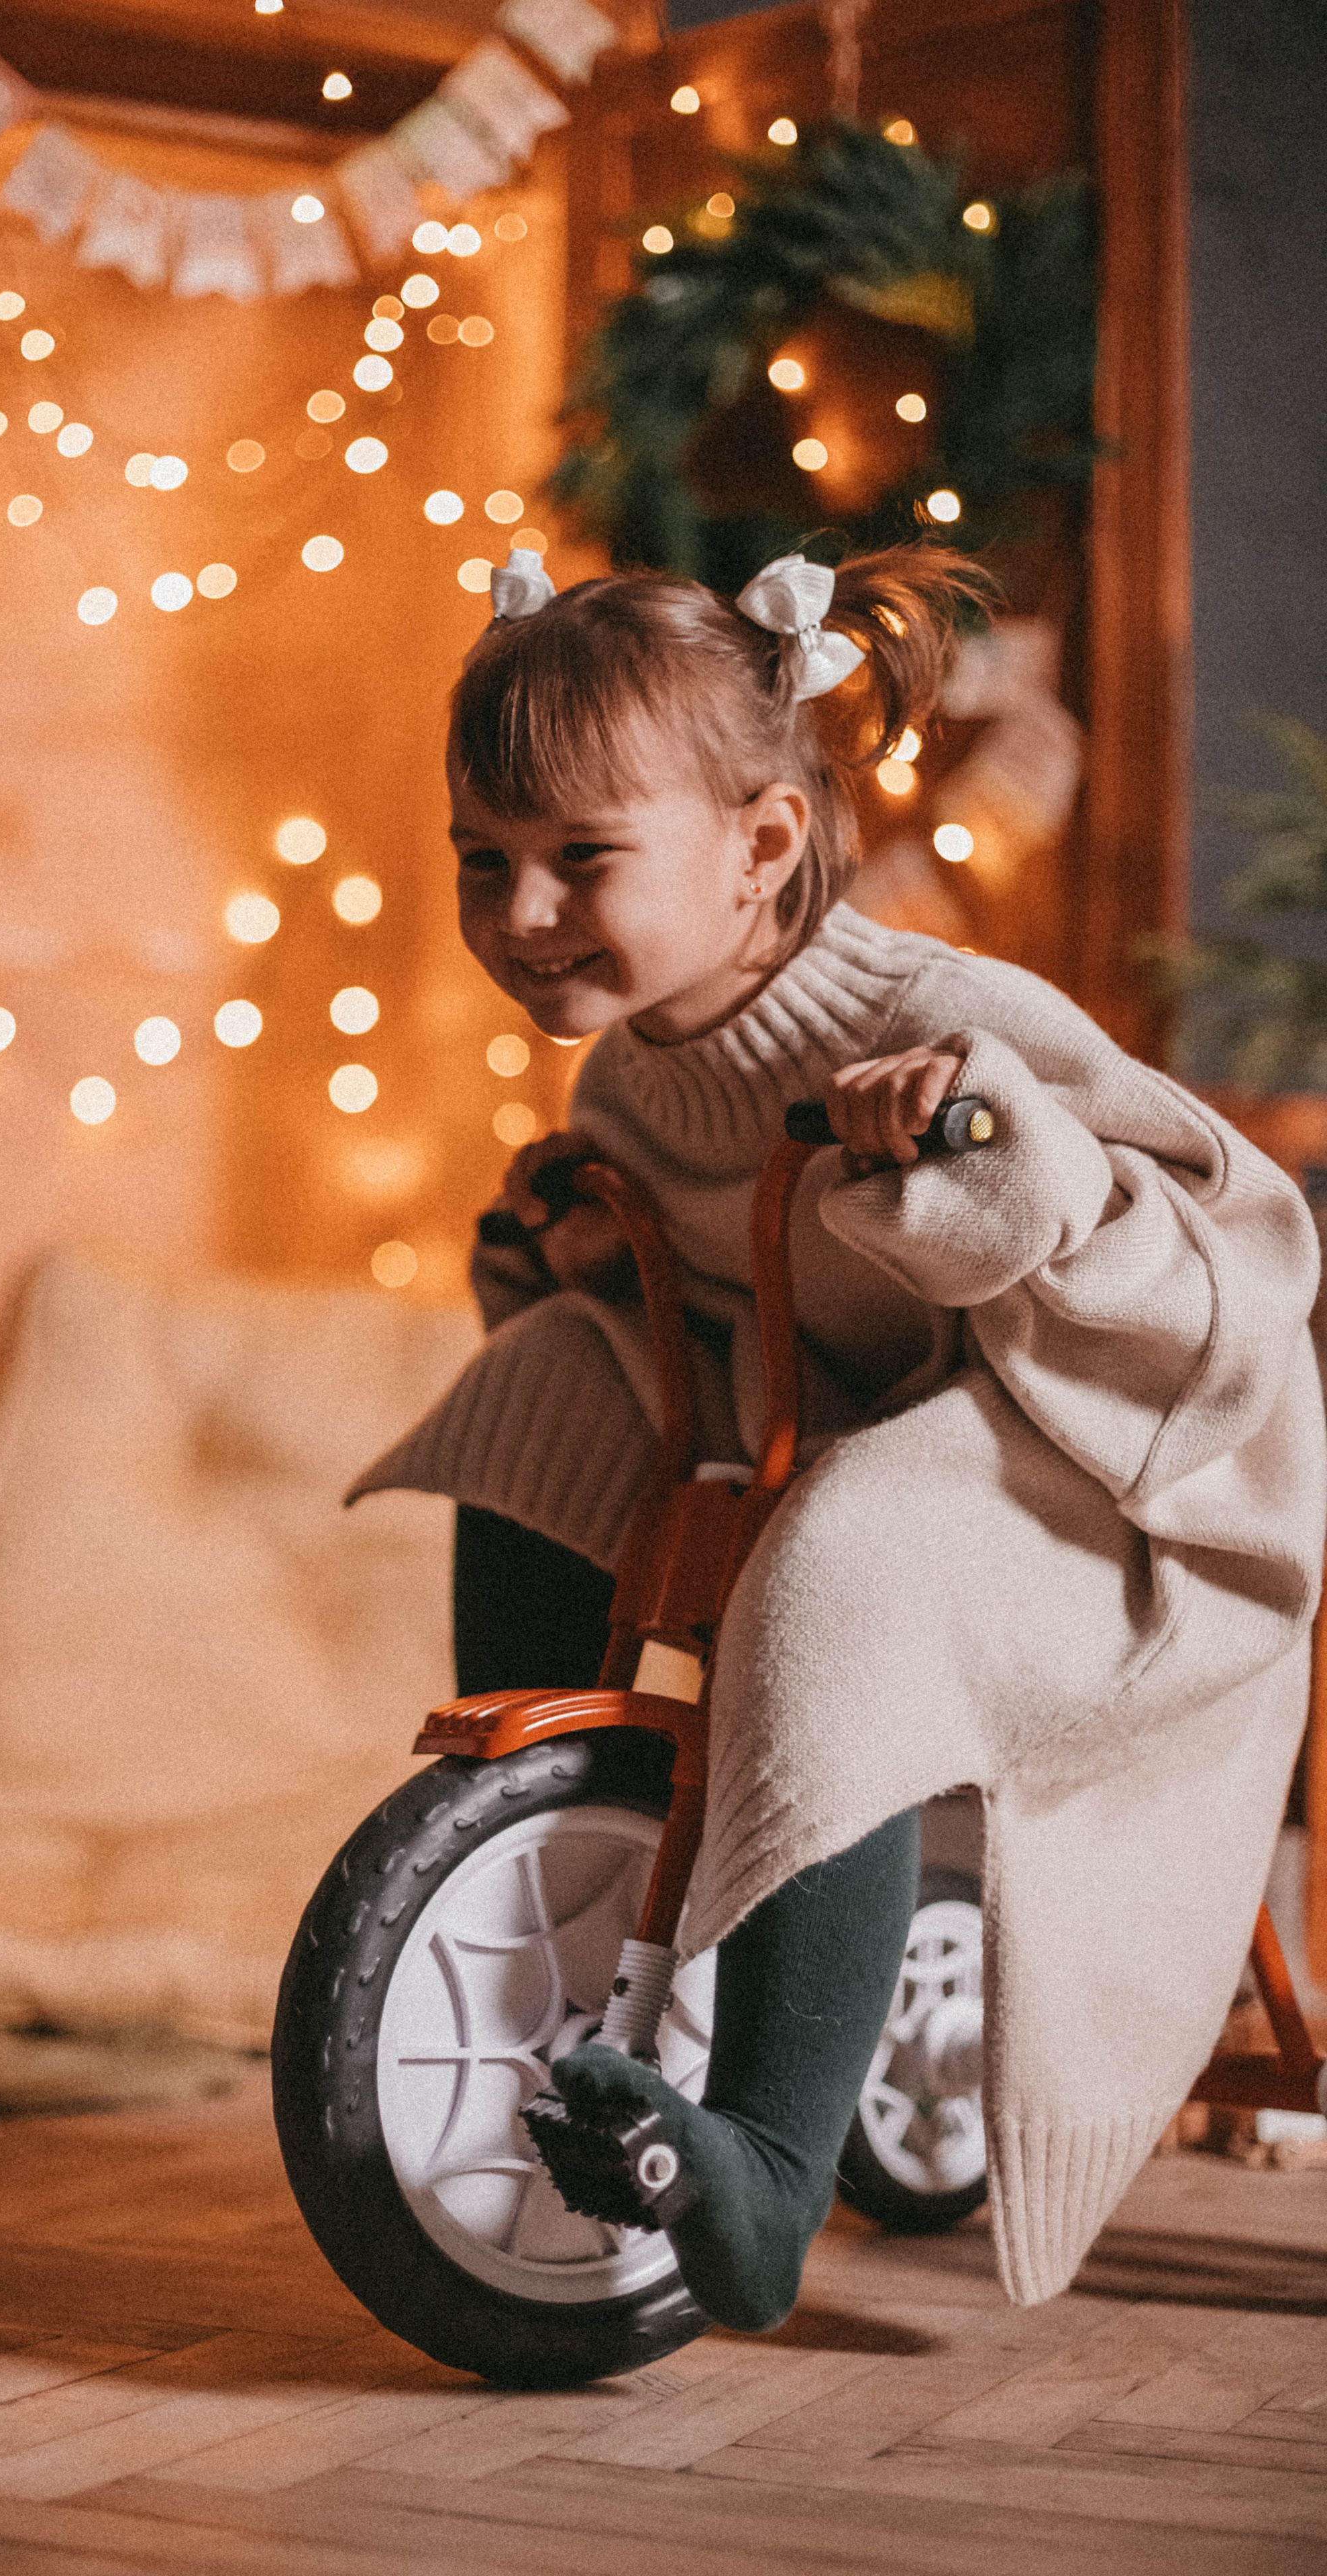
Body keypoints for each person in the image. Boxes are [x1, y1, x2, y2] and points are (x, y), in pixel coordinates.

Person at [350, 543, 1326, 2330]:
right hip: (874, 1439)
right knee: (544, 1382)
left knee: (843, 1555)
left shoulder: (935, 1016)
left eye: (582, 858)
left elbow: (1234, 1254)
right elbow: (734, 1309)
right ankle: (553, 1835)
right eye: (484, 860)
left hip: (1118, 1482)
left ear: (765, 845)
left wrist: (988, 1143)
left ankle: (769, 2172)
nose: (523, 911)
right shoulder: (631, 1074)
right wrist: (572, 1259)